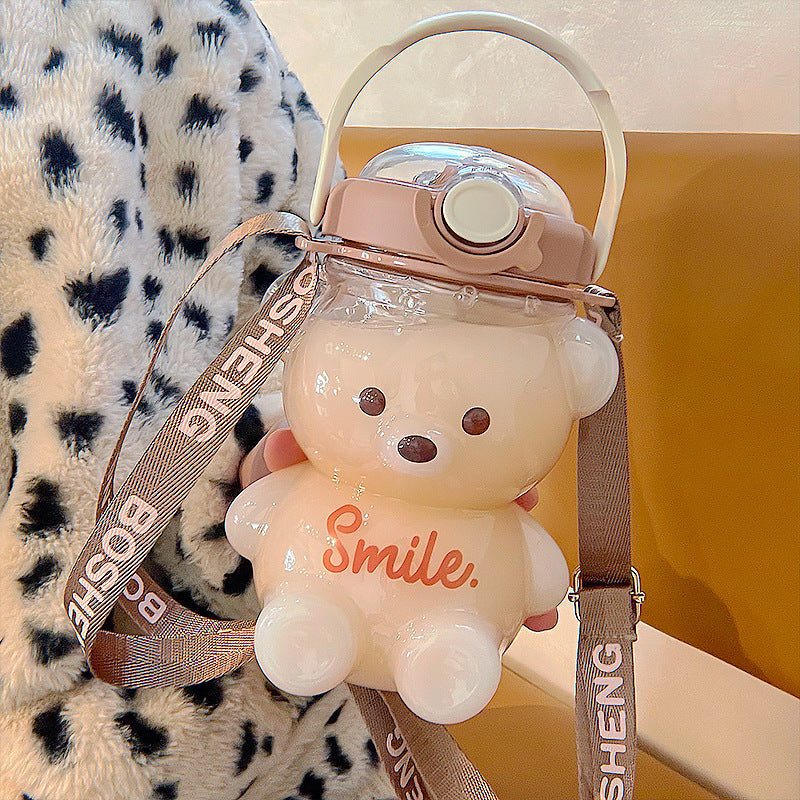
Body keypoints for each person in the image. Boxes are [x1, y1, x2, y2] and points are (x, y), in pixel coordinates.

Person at [240, 427, 560, 633]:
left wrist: (532, 581)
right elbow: (242, 517)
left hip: (405, 673)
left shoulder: (489, 497)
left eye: (475, 423)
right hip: (281, 614)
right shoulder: (325, 458)